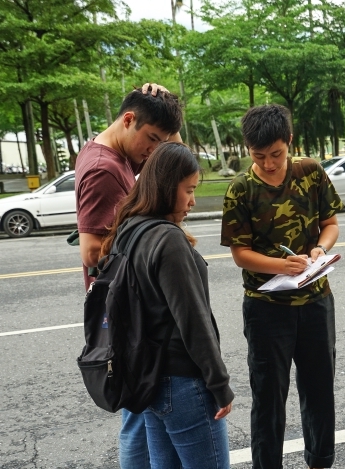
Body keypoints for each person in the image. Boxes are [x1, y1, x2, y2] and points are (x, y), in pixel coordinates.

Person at [220, 104, 343, 469]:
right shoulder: (241, 189)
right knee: (269, 396)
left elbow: (331, 223)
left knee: (319, 390)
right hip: (266, 308)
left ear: (289, 141)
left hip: (315, 300)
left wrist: (322, 247)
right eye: (259, 156)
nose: (269, 163)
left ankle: (321, 460)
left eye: (277, 154)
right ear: (247, 149)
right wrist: (281, 265)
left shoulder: (310, 172)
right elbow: (241, 254)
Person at [101, 142, 233, 468]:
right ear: (165, 186)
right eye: (188, 190)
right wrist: (220, 384)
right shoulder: (167, 239)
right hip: (184, 382)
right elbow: (193, 320)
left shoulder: (128, 230)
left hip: (149, 380)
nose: (193, 200)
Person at [74, 84, 183, 468]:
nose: (153, 149)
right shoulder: (105, 168)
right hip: (125, 308)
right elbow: (91, 250)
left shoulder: (114, 151)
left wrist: (169, 117)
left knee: (140, 412)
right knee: (138, 412)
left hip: (123, 305)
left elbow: (174, 158)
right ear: (128, 119)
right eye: (151, 138)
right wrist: (147, 242)